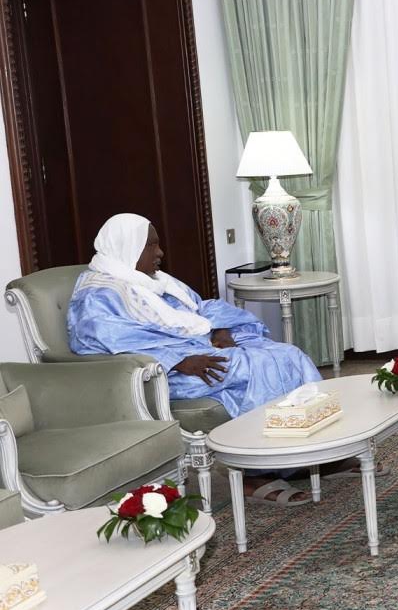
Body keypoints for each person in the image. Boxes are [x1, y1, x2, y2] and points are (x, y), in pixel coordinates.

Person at [68, 213, 323, 506]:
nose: (160, 253)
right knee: (258, 366)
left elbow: (200, 307)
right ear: (127, 247)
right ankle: (256, 472)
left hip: (199, 349)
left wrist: (221, 329)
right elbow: (104, 339)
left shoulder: (154, 280)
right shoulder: (96, 294)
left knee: (288, 354)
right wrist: (179, 360)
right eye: (151, 245)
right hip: (165, 373)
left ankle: (307, 451)